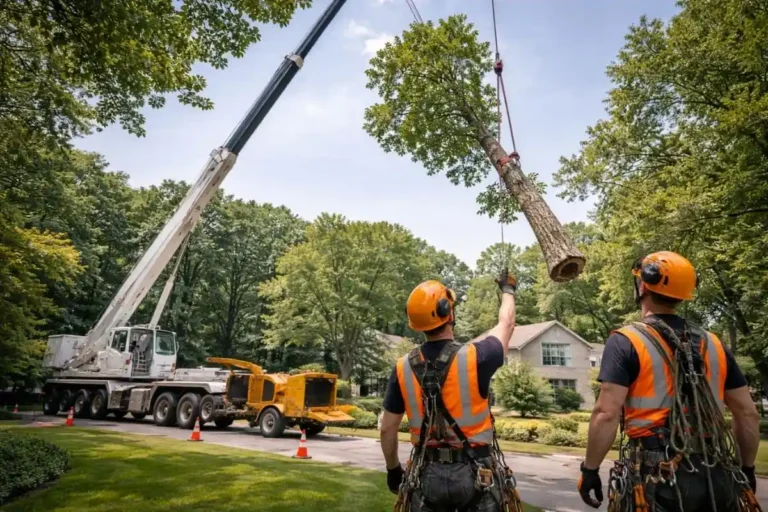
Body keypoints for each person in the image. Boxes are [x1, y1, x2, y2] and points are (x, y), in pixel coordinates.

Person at [578, 251, 761, 512]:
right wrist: (747, 469)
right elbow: (747, 413)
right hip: (716, 473)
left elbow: (606, 413)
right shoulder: (714, 344)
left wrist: (590, 469)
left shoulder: (626, 341)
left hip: (658, 478)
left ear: (643, 285)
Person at [379, 274, 521, 512]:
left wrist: (393, 470)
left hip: (426, 473)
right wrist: (508, 290)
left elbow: (387, 427)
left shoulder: (402, 366)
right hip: (476, 471)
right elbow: (506, 324)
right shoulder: (478, 356)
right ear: (449, 313)